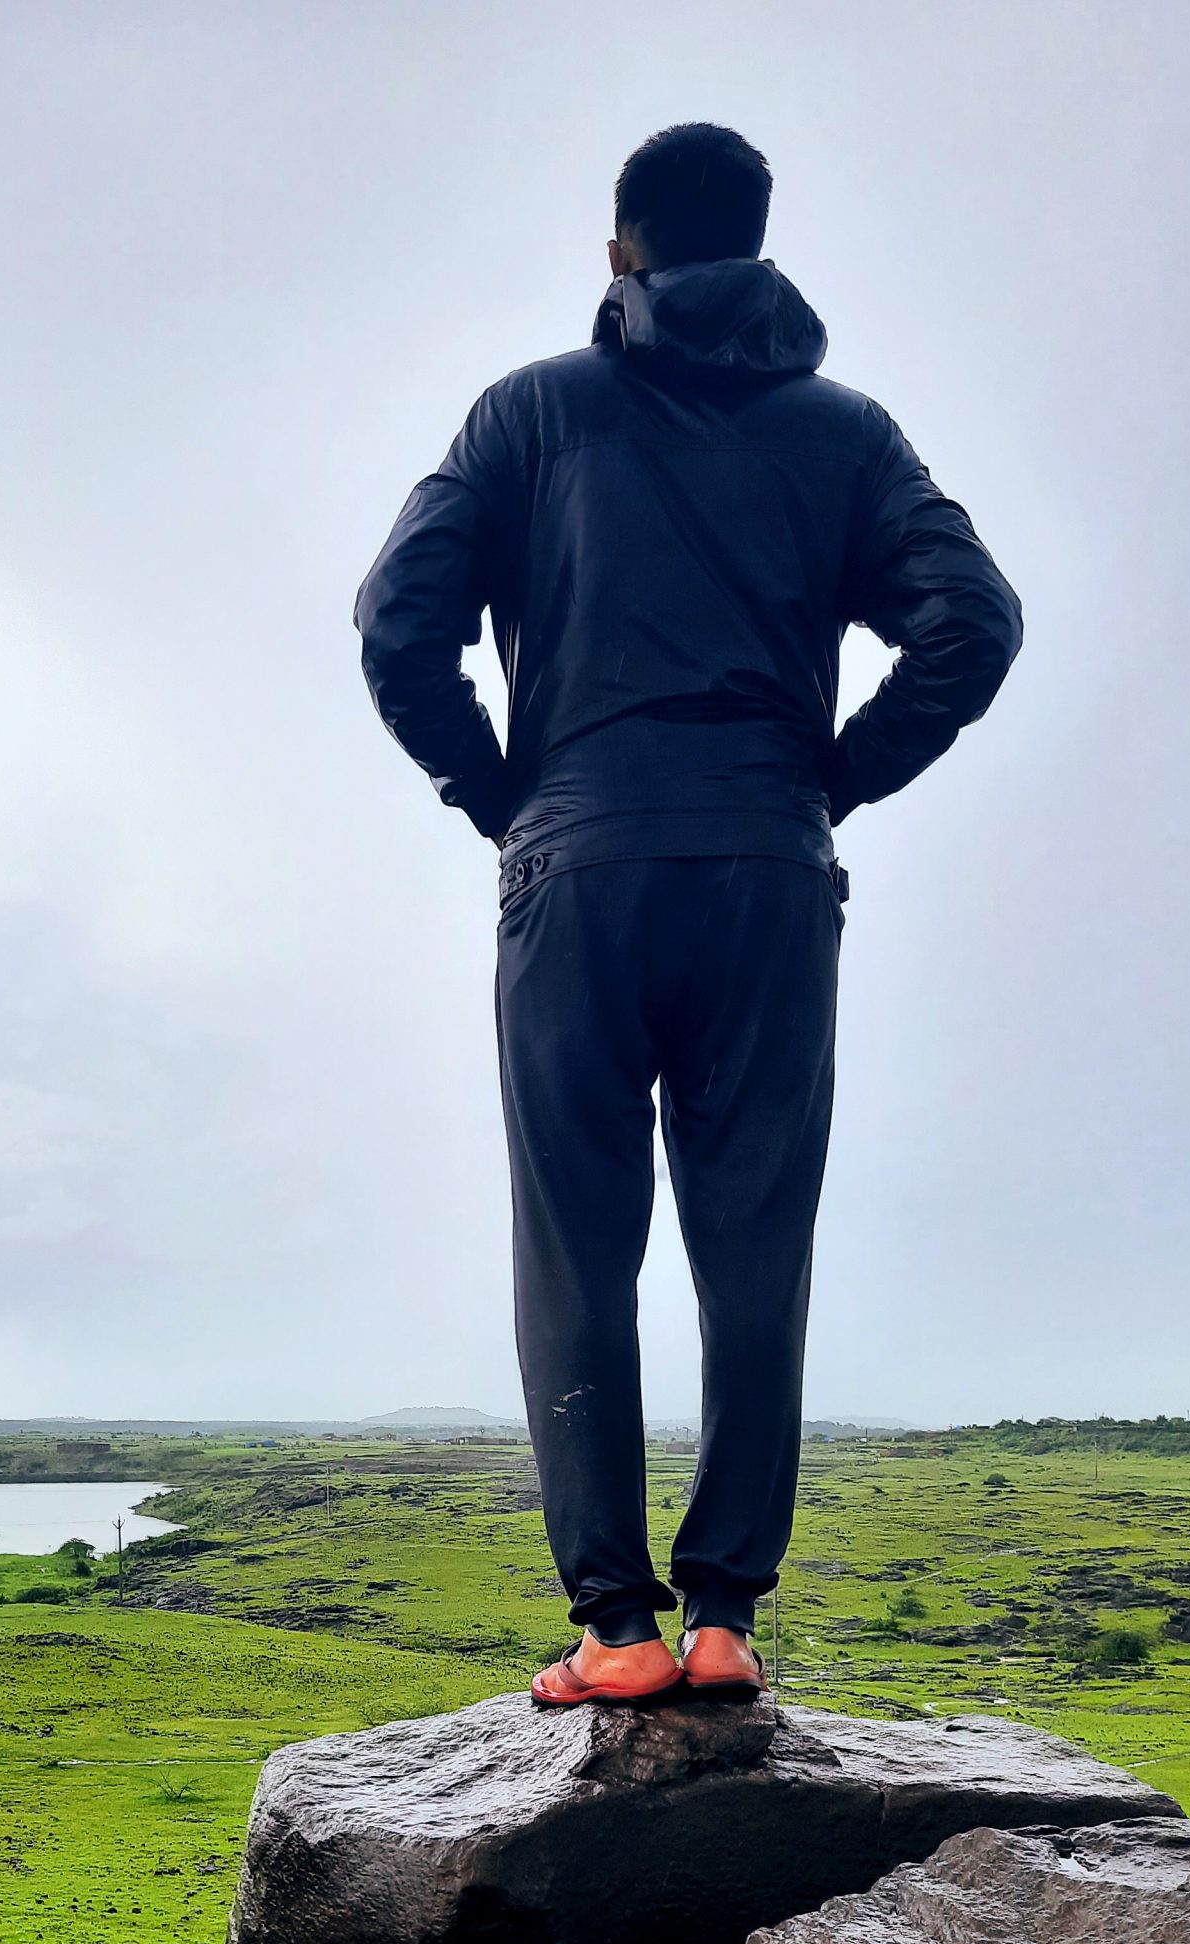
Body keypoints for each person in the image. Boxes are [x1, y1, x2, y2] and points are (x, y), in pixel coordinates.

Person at [356, 123, 1021, 1706]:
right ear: (765, 245)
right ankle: (724, 1620)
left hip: (577, 863)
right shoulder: (848, 437)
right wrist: (835, 779)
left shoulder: (532, 414)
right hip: (769, 875)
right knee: (756, 1246)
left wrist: (499, 795)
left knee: (577, 1243)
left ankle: (615, 1635)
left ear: (620, 252)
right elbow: (974, 621)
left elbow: (397, 625)